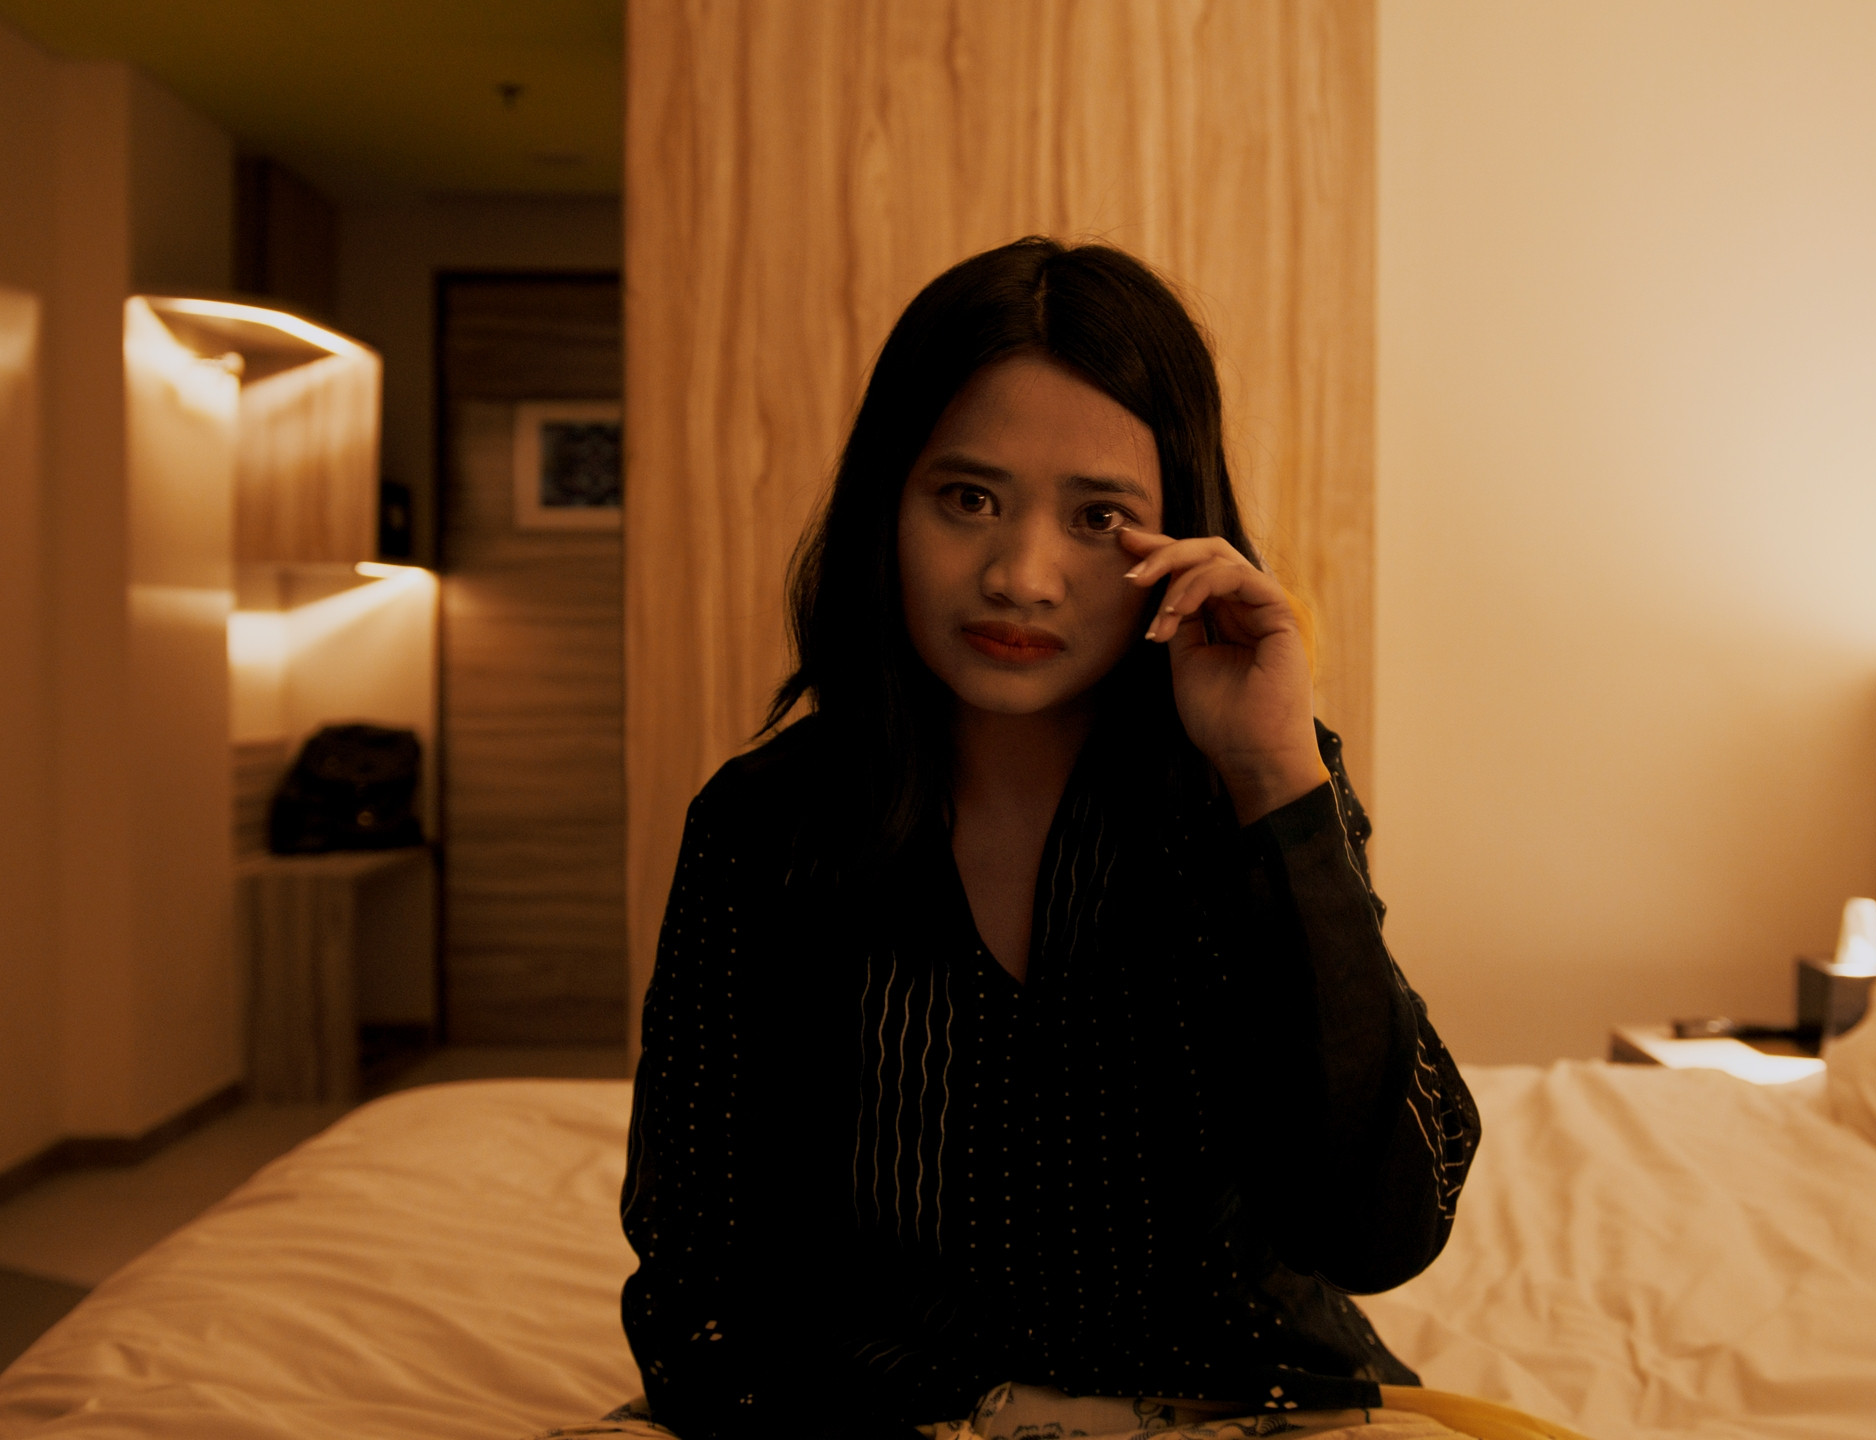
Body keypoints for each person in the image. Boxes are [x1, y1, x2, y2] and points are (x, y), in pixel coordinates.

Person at [620, 238, 1479, 1439]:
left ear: (1178, 538)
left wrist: (1275, 777)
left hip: (1244, 1398)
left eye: (1099, 517)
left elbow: (1379, 1230)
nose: (1022, 576)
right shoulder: (764, 827)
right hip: (877, 1412)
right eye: (968, 499)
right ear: (887, 503)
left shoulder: (1250, 790)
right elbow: (699, 1270)